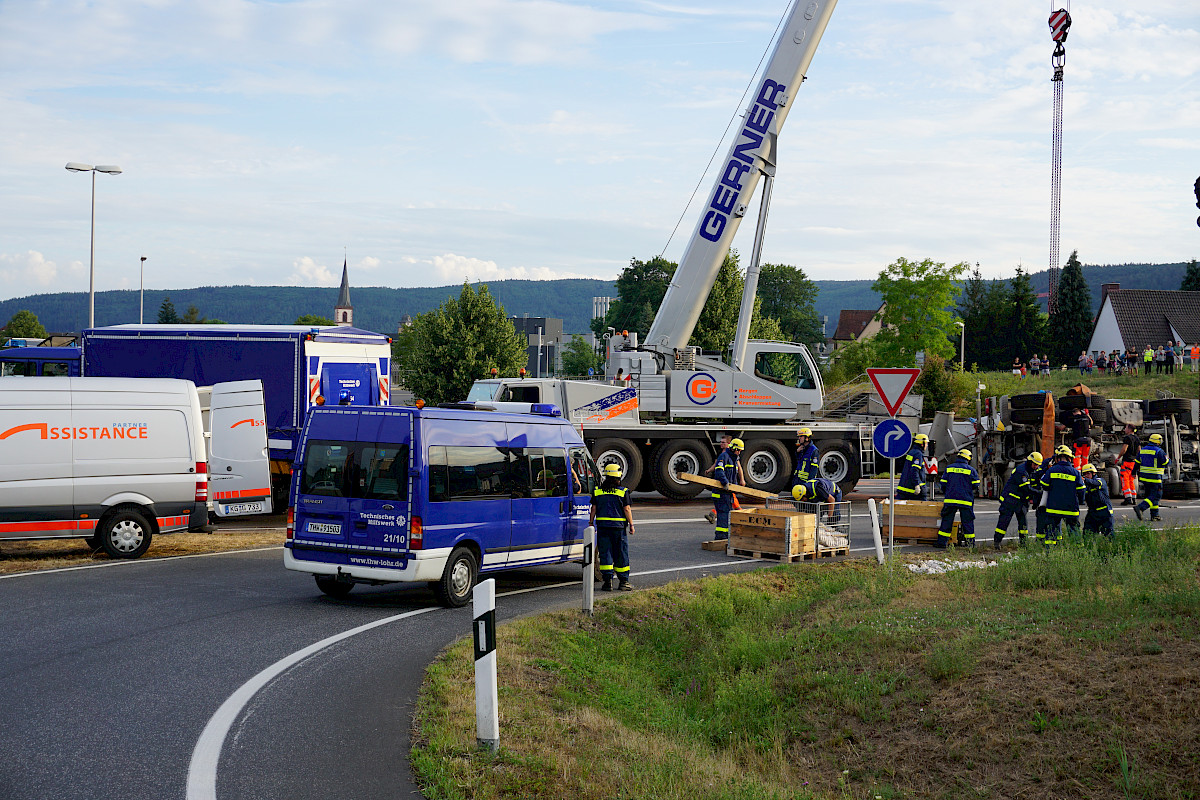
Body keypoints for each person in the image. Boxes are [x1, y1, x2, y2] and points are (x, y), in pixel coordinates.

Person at [589, 463, 635, 591]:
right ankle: (623, 582)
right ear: (618, 476)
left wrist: (591, 522)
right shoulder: (623, 492)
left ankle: (607, 582)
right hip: (618, 528)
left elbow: (594, 508)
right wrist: (631, 524)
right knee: (620, 553)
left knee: (605, 553)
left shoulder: (598, 491)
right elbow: (627, 509)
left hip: (603, 528)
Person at [1040, 444, 1085, 547]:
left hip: (1053, 508)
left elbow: (1044, 485)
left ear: (1057, 458)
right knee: (1074, 531)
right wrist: (1081, 501)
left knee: (1051, 532)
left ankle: (1050, 553)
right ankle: (1077, 552)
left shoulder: (1051, 470)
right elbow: (1082, 490)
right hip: (1071, 508)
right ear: (1069, 458)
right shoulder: (1075, 472)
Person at [994, 451, 1042, 548]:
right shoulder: (1021, 471)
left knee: (1023, 524)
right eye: (1035, 464)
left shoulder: (1031, 471)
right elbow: (1026, 488)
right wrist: (1039, 493)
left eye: (1037, 465)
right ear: (1030, 462)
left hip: (1021, 501)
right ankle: (997, 542)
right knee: (1004, 522)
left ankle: (1023, 544)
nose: (1036, 466)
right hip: (1010, 500)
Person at [936, 449, 979, 549]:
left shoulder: (949, 468)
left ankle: (942, 543)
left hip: (950, 500)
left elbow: (943, 484)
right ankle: (970, 545)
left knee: (947, 521)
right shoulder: (971, 470)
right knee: (968, 523)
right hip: (966, 501)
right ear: (968, 459)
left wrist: (948, 492)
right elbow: (976, 485)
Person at [704, 434, 744, 524]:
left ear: (729, 444)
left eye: (723, 442)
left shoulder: (733, 456)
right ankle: (741, 516)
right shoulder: (724, 455)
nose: (721, 444)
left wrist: (742, 480)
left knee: (728, 504)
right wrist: (710, 470)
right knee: (726, 505)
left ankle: (714, 514)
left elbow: (739, 468)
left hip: (729, 485)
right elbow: (718, 466)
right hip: (726, 485)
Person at [711, 438, 744, 540]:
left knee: (726, 514)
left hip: (727, 493)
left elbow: (733, 475)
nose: (739, 452)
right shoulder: (724, 456)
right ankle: (721, 537)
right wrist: (725, 483)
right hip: (721, 492)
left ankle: (724, 536)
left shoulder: (733, 459)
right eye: (738, 450)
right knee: (723, 514)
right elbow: (719, 472)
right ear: (733, 448)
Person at [1134, 433, 1169, 522]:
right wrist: (1168, 459)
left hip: (1144, 478)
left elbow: (1137, 463)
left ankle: (1155, 515)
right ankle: (1141, 507)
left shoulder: (1142, 450)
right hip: (1155, 478)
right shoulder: (1159, 451)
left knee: (1151, 495)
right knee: (1156, 495)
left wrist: (1133, 473)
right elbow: (1165, 463)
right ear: (1158, 441)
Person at [1081, 463, 1114, 537]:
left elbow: (1095, 483)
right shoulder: (1086, 486)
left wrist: (1084, 480)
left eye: (1088, 473)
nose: (1086, 475)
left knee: (1108, 535)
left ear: (1093, 473)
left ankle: (1110, 547)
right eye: (1084, 474)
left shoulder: (1100, 481)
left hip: (1104, 512)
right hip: (1092, 513)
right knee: (1087, 533)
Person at [895, 433, 929, 500]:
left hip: (904, 488)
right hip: (913, 489)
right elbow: (914, 470)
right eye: (926, 443)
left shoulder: (912, 452)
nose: (927, 445)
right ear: (922, 444)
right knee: (923, 508)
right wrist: (917, 485)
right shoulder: (918, 454)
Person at [1116, 423, 1140, 505]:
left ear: (1129, 429)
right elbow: (1139, 450)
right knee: (1131, 480)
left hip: (1127, 462)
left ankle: (1127, 498)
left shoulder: (1127, 438)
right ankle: (1134, 498)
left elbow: (1124, 449)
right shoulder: (1137, 438)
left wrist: (1118, 457)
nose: (1124, 429)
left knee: (1125, 480)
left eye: (1126, 428)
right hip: (1134, 463)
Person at [791, 427, 820, 492]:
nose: (799, 438)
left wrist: (809, 484)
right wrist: (797, 453)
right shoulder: (802, 448)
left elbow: (814, 469)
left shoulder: (814, 451)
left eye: (801, 436)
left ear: (807, 438)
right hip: (797, 480)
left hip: (805, 483)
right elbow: (799, 462)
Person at [1068, 405, 1093, 470]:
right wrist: (1088, 414)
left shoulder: (1073, 418)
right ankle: (1085, 470)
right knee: (1085, 457)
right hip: (1087, 440)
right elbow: (1091, 423)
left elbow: (1063, 426)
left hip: (1078, 440)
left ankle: (1077, 471)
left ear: (1074, 413)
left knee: (1077, 456)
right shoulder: (1086, 417)